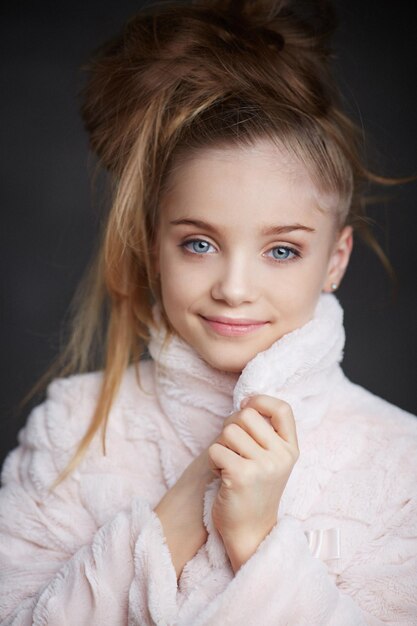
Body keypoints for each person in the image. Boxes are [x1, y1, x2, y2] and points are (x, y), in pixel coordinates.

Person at [0, 0, 416, 624]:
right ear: (153, 247)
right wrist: (185, 502)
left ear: (335, 258)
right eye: (200, 243)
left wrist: (257, 545)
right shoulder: (71, 429)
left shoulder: (401, 461)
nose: (234, 288)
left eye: (282, 249)